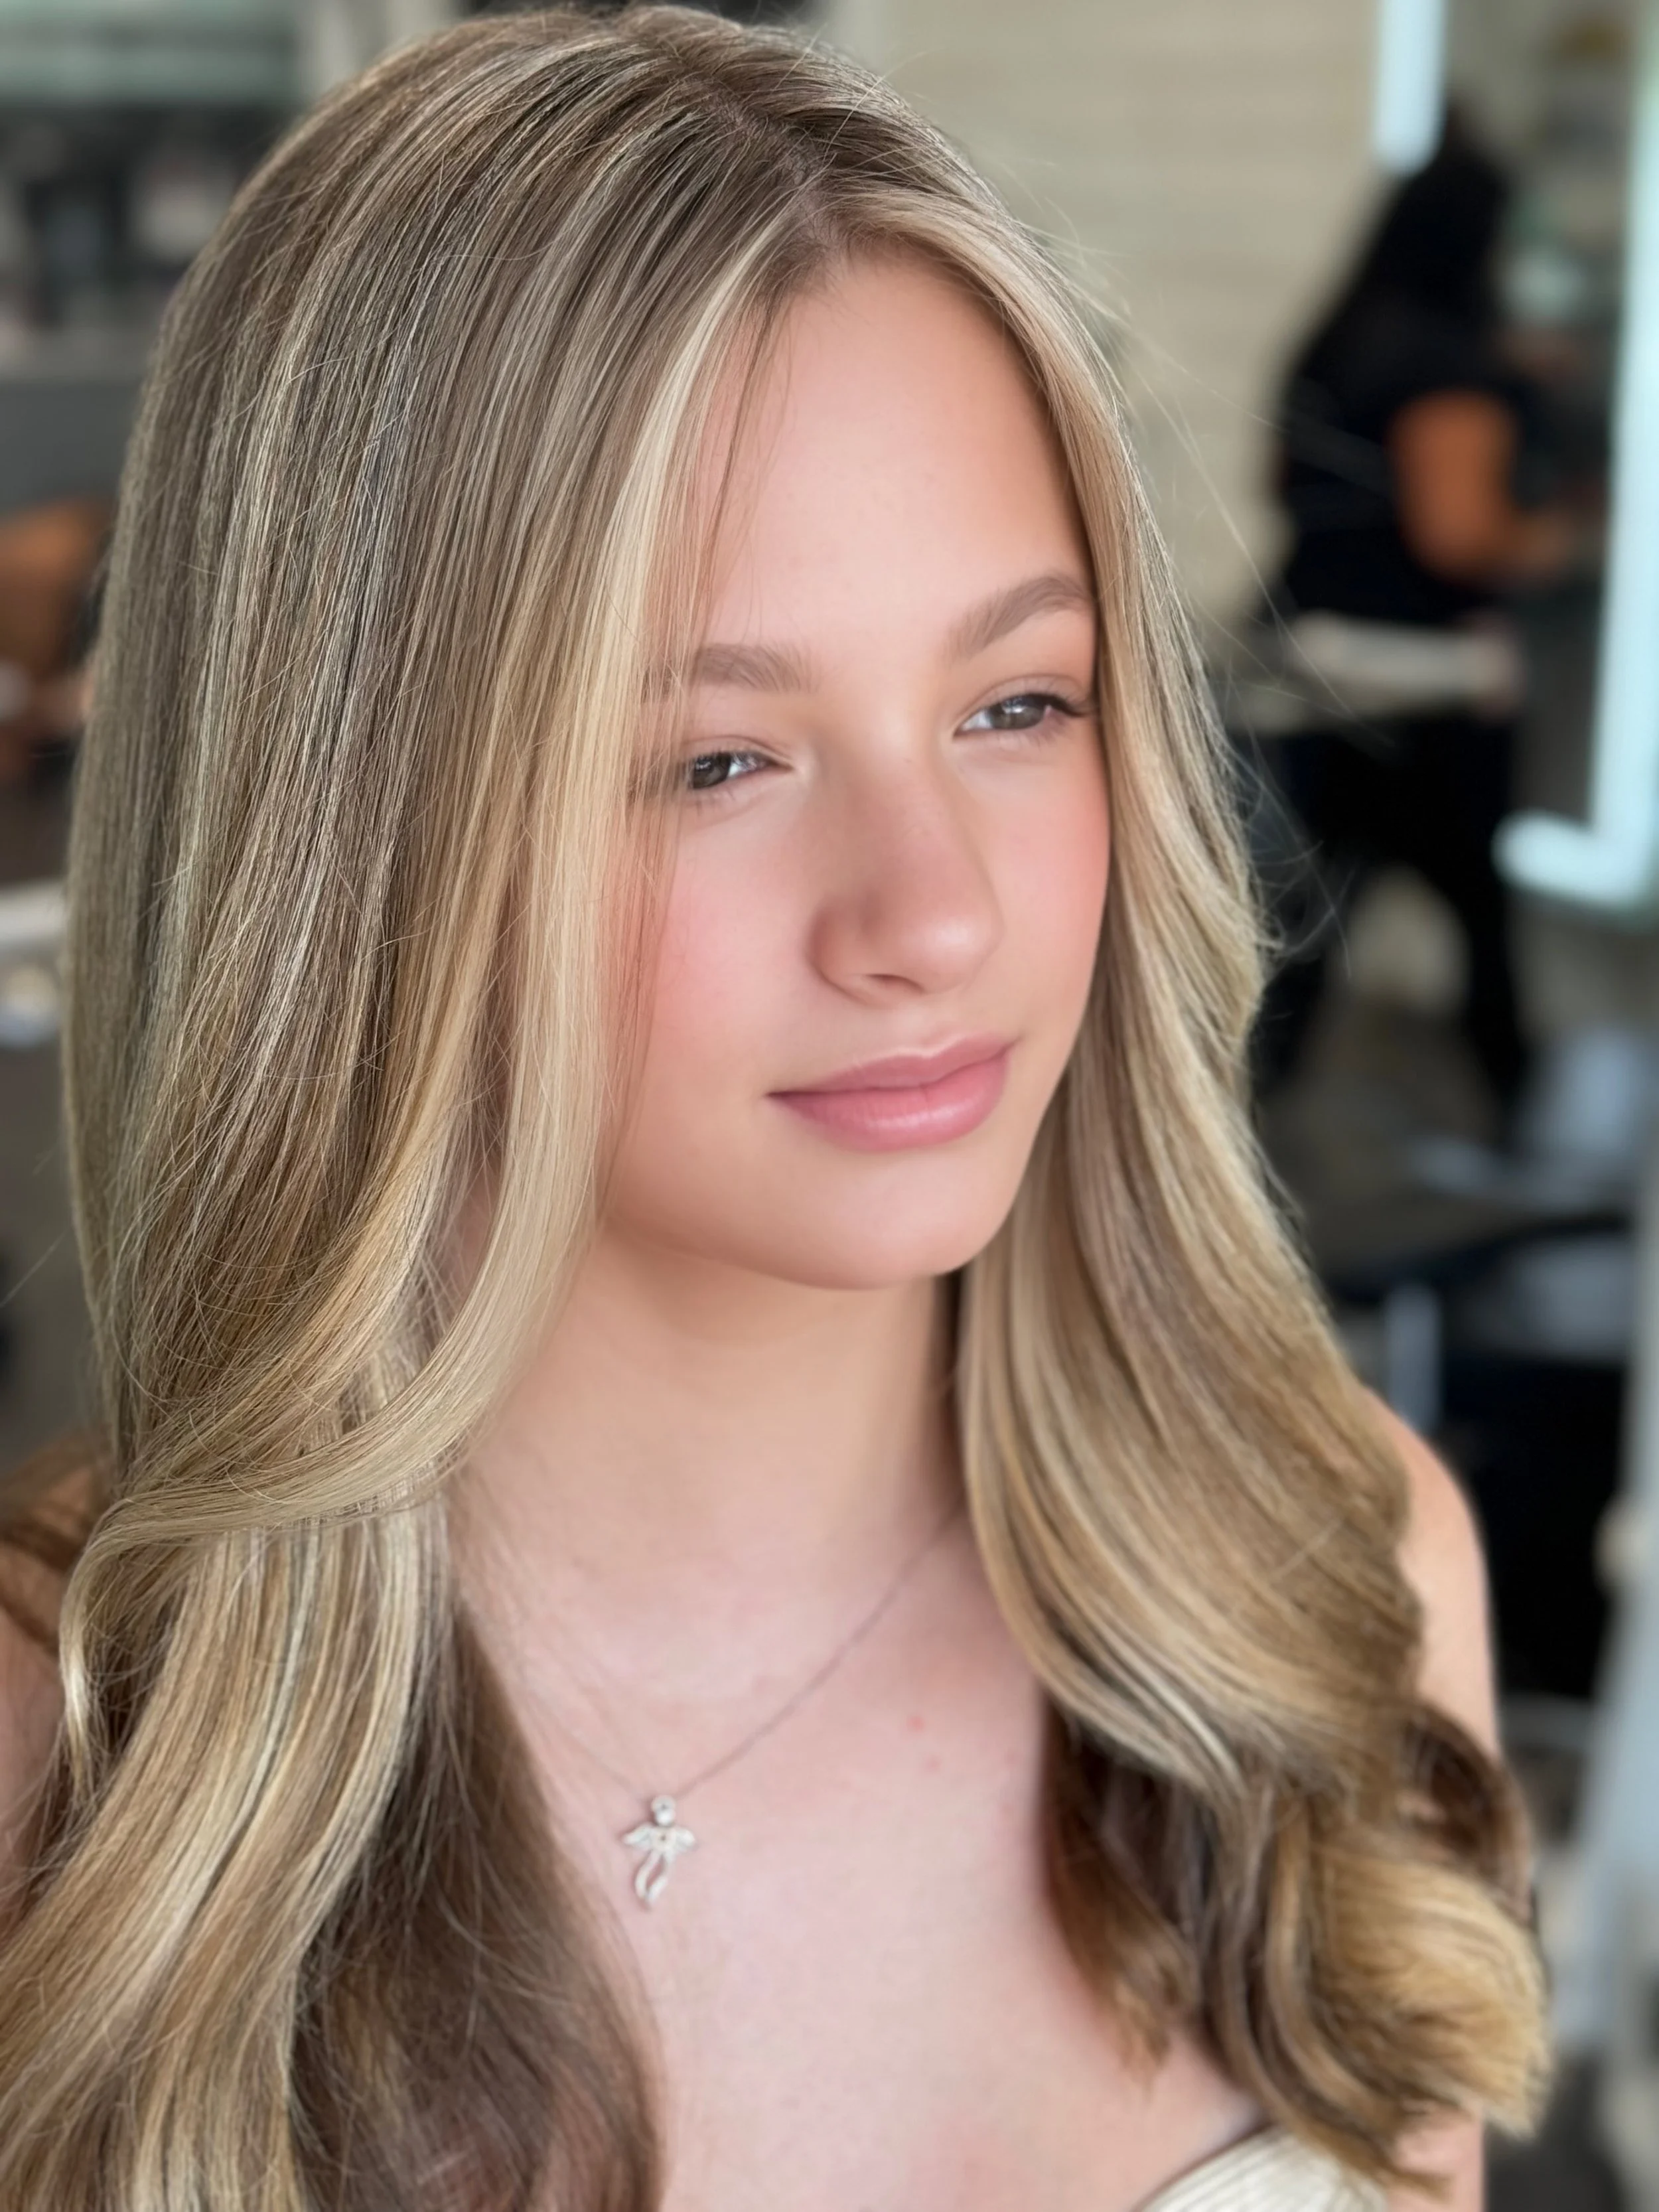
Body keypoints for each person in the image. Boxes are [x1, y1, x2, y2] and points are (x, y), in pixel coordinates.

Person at [0, 13, 1548, 2209]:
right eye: (717, 759)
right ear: (345, 841)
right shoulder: (56, 1780)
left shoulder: (1325, 1584)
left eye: (1018, 704)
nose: (936, 913)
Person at [1251, 111, 1595, 1131]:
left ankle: (1240, 1130)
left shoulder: (1337, 340)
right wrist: (1566, 537)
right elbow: (1462, 534)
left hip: (1318, 670)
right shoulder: (1448, 370)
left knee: (1309, 919)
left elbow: (1284, 489)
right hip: (1425, 693)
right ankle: (1520, 1120)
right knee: (1477, 919)